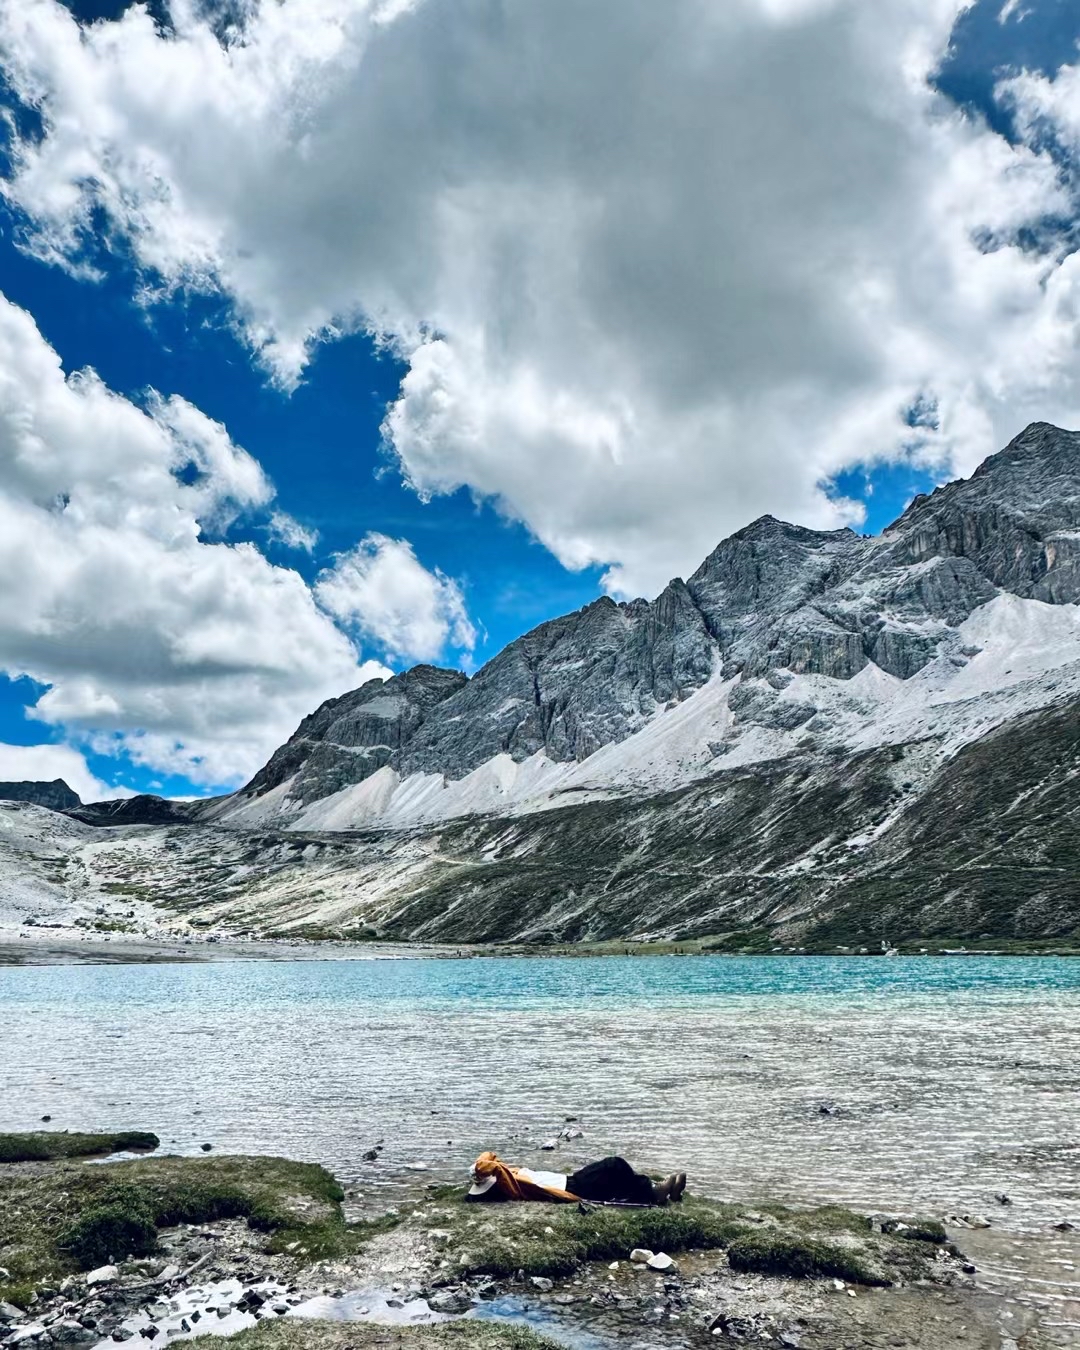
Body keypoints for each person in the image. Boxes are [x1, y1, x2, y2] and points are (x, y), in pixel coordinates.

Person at [467, 1150, 687, 1206]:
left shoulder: (508, 1176)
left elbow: (491, 1159)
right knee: (614, 1165)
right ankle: (655, 1192)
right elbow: (492, 1165)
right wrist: (489, 1170)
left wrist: (487, 1170)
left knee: (616, 1175)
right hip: (573, 1187)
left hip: (572, 1179)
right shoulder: (510, 1186)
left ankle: (655, 1189)